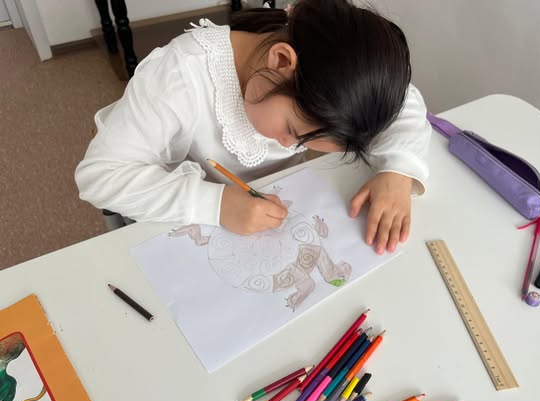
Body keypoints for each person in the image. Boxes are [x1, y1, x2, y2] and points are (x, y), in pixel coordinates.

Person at [75, 0, 431, 255]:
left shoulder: (322, 81)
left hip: (258, 220)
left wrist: (398, 171)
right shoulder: (179, 76)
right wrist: (215, 204)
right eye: (293, 132)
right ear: (280, 60)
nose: (288, 145)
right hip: (179, 221)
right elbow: (99, 177)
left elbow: (406, 100)